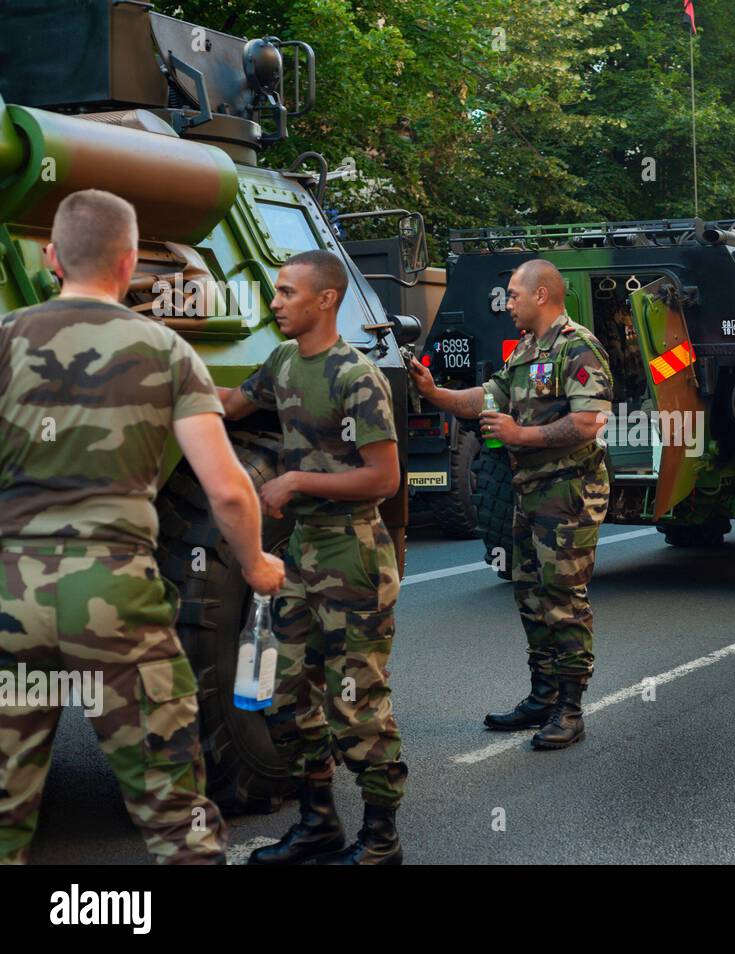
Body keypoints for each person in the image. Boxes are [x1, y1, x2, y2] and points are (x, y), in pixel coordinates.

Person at [0, 189, 284, 865]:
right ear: (131, 263)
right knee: (173, 810)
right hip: (117, 598)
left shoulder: (5, 342)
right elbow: (230, 491)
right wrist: (255, 567)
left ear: (49, 258)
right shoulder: (167, 351)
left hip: (12, 598)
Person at [218, 250, 407, 865]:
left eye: (286, 292)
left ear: (325, 300)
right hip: (299, 557)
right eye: (275, 292)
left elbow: (384, 479)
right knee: (280, 695)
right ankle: (318, 823)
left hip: (352, 556)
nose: (275, 302)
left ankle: (381, 839)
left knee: (355, 700)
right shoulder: (281, 361)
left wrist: (297, 483)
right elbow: (231, 404)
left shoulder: (357, 376)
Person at [409, 259, 612, 750]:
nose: (507, 304)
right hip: (533, 491)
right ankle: (542, 696)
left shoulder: (577, 347)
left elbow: (589, 422)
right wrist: (433, 392)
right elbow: (486, 398)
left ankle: (570, 707)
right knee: (530, 594)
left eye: (514, 295)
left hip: (570, 493)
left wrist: (522, 434)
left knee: (563, 600)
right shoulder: (525, 349)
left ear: (542, 295)